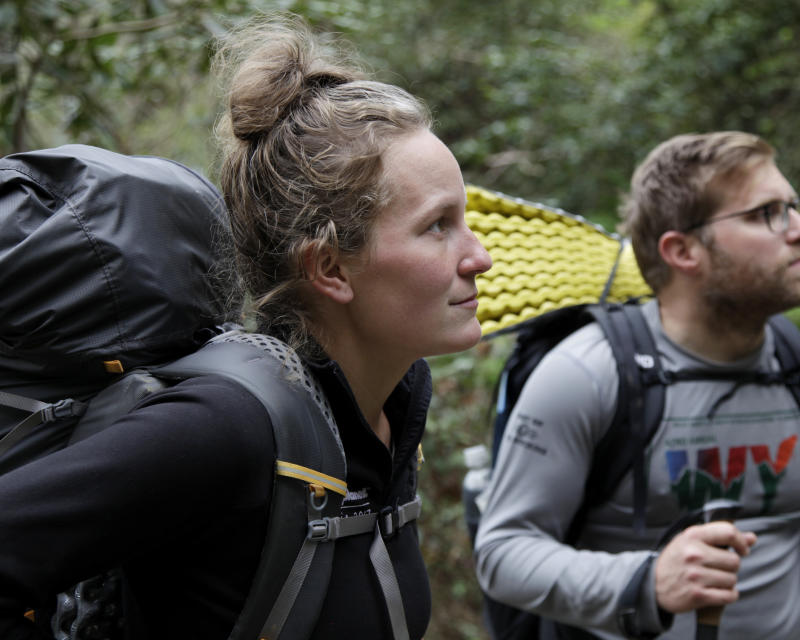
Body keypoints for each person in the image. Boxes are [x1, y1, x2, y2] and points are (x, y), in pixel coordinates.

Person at [0, 14, 490, 640]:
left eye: (464, 218)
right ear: (331, 267)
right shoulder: (227, 428)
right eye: (437, 226)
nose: (479, 256)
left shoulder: (391, 413)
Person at [473, 131, 800, 640]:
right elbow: (503, 552)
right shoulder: (585, 376)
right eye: (765, 214)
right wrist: (647, 580)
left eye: (796, 208)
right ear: (683, 250)